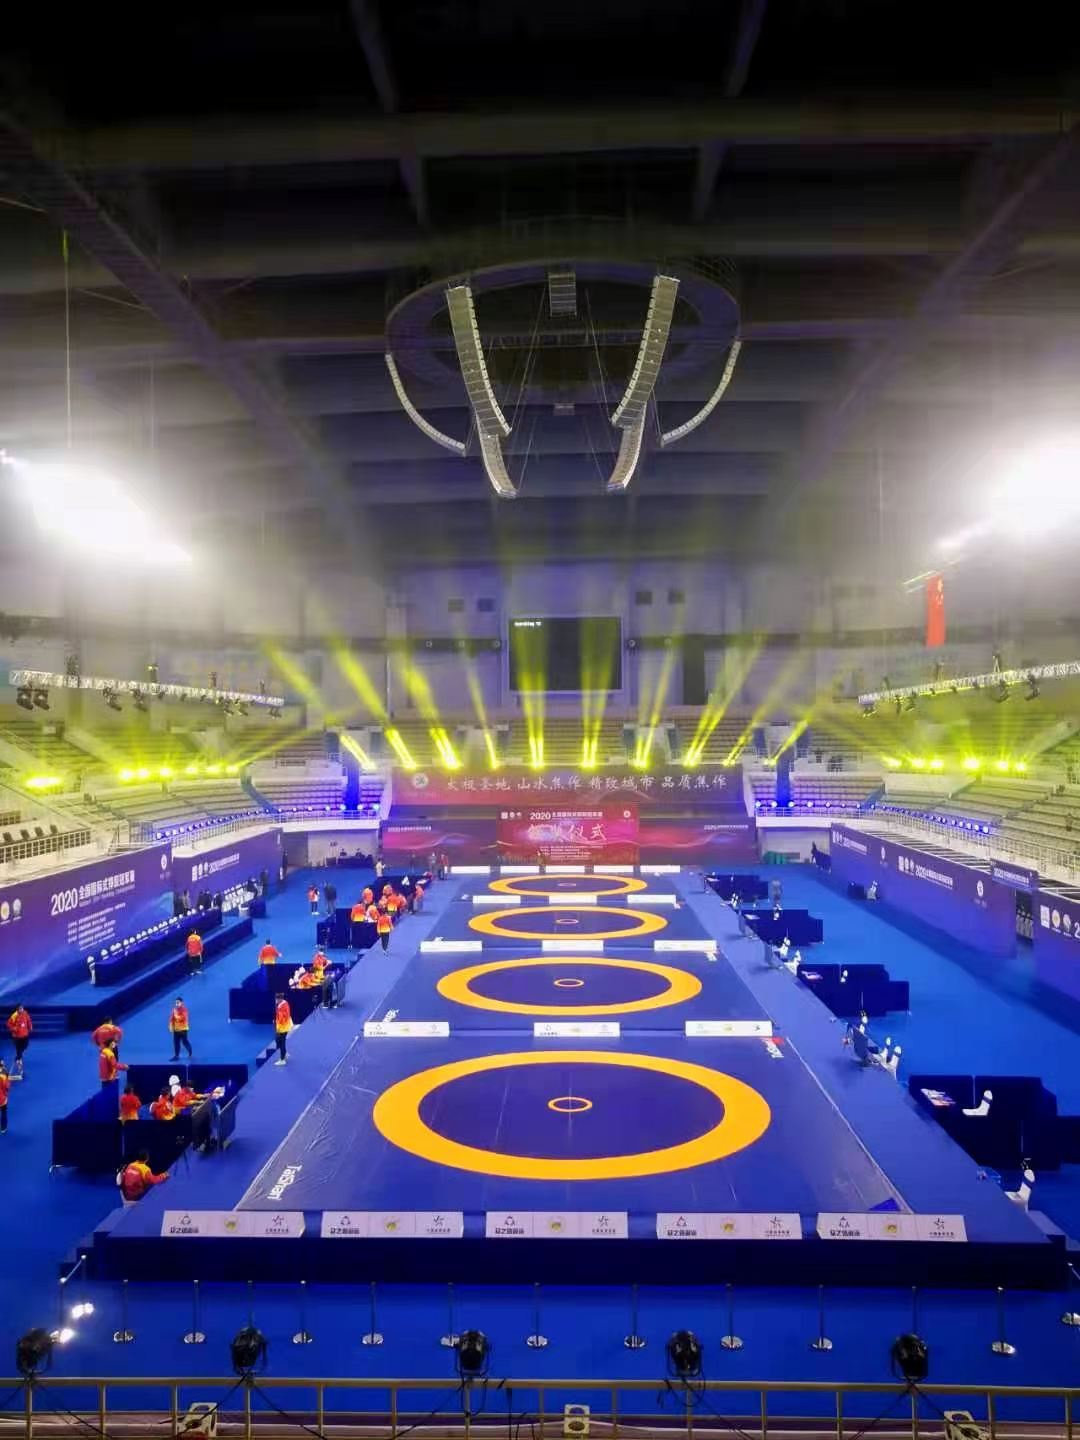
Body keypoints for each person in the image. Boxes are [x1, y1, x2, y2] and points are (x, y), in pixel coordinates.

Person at [6, 1004, 31, 1074]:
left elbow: (28, 1020)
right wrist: (14, 1029)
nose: (22, 1010)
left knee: (25, 1045)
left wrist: (30, 1026)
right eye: (20, 1009)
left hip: (25, 1034)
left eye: (22, 1008)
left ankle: (18, 1057)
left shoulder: (25, 1013)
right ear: (17, 1009)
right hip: (17, 1037)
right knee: (18, 1050)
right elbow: (8, 1024)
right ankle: (19, 1065)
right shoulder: (14, 1015)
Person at [0, 1060, 23, 1134]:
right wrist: (8, 1082)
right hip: (2, 1099)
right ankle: (3, 1128)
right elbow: (6, 1087)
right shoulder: (3, 1074)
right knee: (3, 1113)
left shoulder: (4, 1073)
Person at [273, 995, 293, 1065]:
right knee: (278, 1041)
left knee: (281, 1043)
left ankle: (282, 1060)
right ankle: (284, 1053)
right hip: (282, 1026)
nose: (275, 1001)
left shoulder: (283, 1006)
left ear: (280, 999)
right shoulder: (282, 1004)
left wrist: (278, 1023)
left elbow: (283, 1018)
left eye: (276, 999)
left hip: (283, 1027)